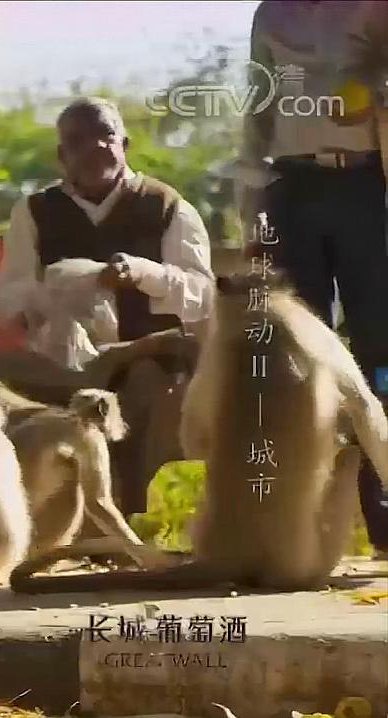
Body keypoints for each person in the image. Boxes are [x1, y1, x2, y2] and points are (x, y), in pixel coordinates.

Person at [0, 97, 215, 517]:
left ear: (124, 142)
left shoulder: (166, 206)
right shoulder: (35, 211)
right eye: (77, 140)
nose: (93, 148)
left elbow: (201, 294)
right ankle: (28, 522)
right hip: (62, 363)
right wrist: (58, 289)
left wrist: (143, 274)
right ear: (61, 155)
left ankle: (136, 525)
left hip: (146, 358)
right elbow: (6, 298)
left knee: (149, 390)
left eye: (105, 136)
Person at [237, 0, 388, 559]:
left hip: (368, 190)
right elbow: (257, 115)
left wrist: (373, 96)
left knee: (381, 355)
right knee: (297, 360)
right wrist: (250, 209)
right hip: (291, 192)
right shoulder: (271, 14)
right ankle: (297, 531)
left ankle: (385, 524)